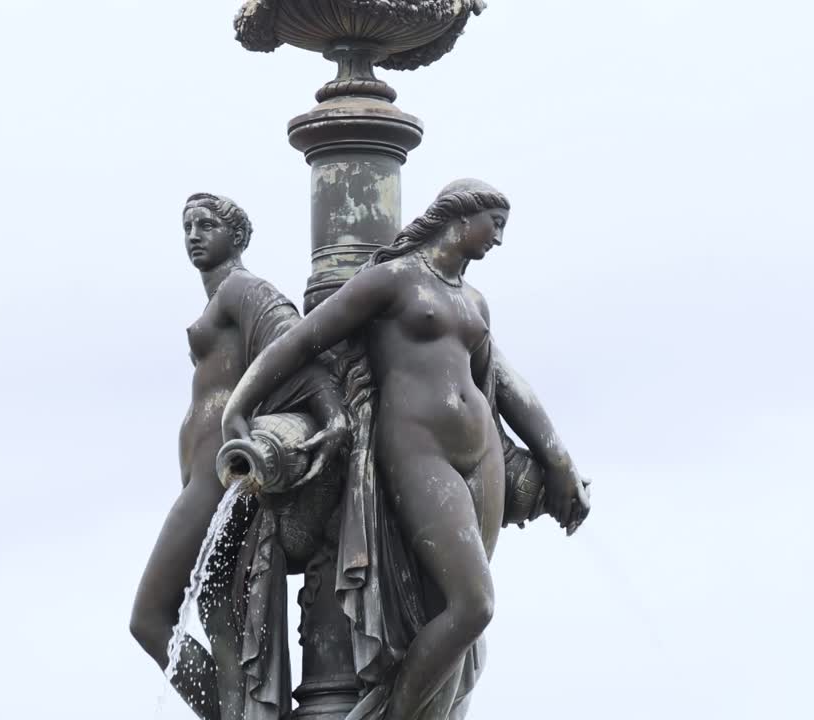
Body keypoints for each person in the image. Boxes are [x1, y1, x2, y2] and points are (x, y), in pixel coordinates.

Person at [222, 179, 591, 719]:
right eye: (496, 224)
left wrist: (560, 463)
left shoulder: (473, 300)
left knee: (452, 614)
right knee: (474, 605)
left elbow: (504, 392)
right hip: (419, 453)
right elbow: (302, 340)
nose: (500, 240)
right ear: (460, 219)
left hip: (481, 457)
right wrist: (238, 406)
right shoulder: (392, 281)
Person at [129, 193, 348, 720]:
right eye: (187, 226)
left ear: (237, 237)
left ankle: (239, 714)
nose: (194, 235)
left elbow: (295, 345)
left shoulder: (241, 288)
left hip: (218, 478)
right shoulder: (217, 301)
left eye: (207, 224)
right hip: (204, 480)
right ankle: (243, 709)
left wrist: (332, 412)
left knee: (150, 619)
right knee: (217, 616)